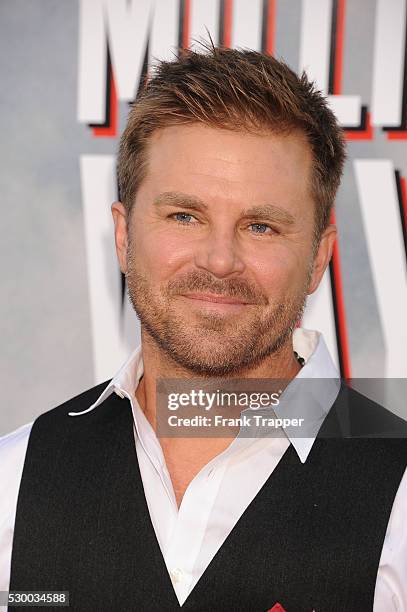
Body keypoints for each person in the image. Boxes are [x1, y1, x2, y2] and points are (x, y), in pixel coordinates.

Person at [1, 45, 406, 612]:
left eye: (261, 226)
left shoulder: (401, 499)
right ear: (123, 237)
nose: (219, 260)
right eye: (184, 216)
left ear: (318, 259)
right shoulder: (11, 482)